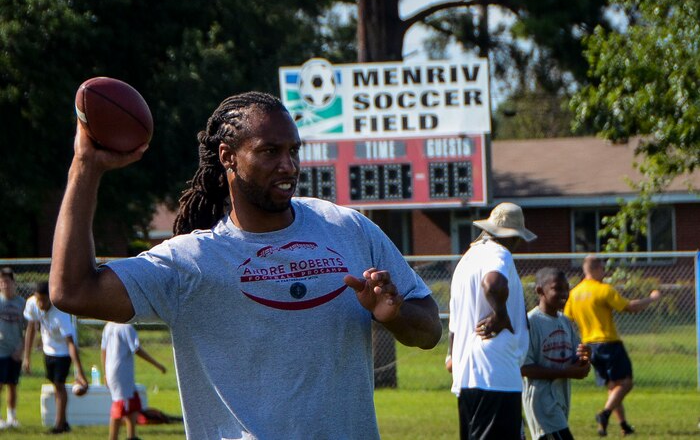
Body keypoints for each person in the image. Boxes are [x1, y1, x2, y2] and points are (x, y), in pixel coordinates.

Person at [48, 91, 442, 439]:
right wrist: (85, 165)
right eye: (270, 151)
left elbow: (428, 331)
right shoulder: (192, 261)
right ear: (228, 157)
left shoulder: (348, 228)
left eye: (293, 150)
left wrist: (394, 314)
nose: (288, 165)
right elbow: (73, 291)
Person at [447, 202, 536, 439]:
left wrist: (451, 355)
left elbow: (455, 322)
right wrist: (501, 315)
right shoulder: (499, 253)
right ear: (512, 236)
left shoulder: (467, 259)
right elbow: (493, 284)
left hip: (467, 374)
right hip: (496, 372)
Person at [564, 255, 662, 437]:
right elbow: (629, 307)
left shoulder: (574, 294)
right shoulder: (603, 290)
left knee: (613, 387)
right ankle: (605, 414)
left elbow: (567, 319)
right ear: (593, 269)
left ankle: (621, 425)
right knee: (626, 383)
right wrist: (651, 299)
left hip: (589, 346)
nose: (605, 272)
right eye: (602, 268)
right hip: (608, 343)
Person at [521, 267, 591, 440]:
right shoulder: (531, 323)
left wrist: (584, 358)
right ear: (540, 290)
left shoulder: (564, 321)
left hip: (560, 399)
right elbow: (524, 368)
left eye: (566, 288)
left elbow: (575, 359)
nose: (564, 293)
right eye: (557, 288)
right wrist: (565, 372)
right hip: (541, 403)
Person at [22, 282, 88, 434]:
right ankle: (63, 423)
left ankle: (59, 425)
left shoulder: (61, 312)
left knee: (59, 385)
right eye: (38, 299)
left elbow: (70, 343)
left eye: (44, 300)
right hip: (48, 349)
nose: (40, 303)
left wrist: (80, 372)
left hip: (63, 352)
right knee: (56, 385)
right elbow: (31, 329)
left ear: (50, 299)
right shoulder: (32, 304)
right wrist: (27, 357)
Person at [101, 321, 166, 440]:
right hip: (121, 373)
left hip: (113, 372)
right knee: (120, 405)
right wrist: (157, 364)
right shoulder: (126, 327)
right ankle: (113, 437)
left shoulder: (108, 326)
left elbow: (103, 350)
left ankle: (132, 436)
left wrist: (105, 373)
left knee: (133, 403)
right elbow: (136, 349)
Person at [0, 267, 26, 429]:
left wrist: (21, 348)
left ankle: (12, 417)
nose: (4, 285)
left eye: (7, 282)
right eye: (1, 282)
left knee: (12, 384)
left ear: (13, 283)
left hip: (15, 350)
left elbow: (29, 329)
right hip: (0, 350)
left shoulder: (21, 303)